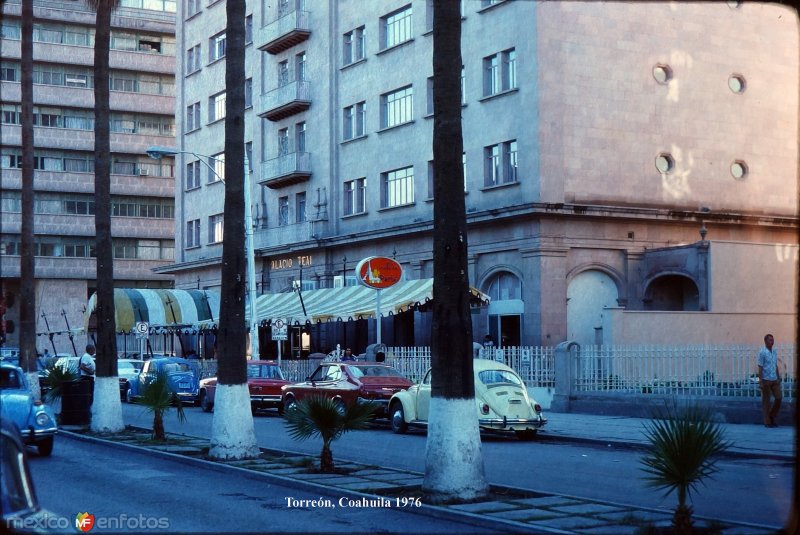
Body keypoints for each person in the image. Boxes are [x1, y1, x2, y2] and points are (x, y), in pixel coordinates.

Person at [757, 333, 782, 428]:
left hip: (774, 379)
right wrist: (760, 381)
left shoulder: (774, 351)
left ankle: (771, 415)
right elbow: (760, 367)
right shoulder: (762, 352)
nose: (772, 341)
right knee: (766, 402)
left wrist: (778, 377)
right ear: (765, 341)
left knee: (779, 397)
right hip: (766, 380)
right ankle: (767, 422)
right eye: (770, 340)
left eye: (773, 339)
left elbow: (775, 365)